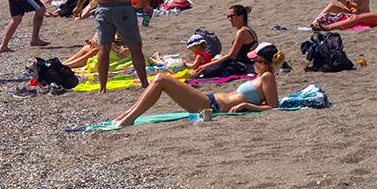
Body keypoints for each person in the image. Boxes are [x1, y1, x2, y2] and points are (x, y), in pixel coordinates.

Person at [108, 43, 284, 128]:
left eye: (255, 60)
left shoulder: (267, 77)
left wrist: (247, 105)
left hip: (211, 107)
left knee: (161, 79)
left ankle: (130, 118)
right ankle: (128, 114)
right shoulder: (262, 76)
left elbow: (273, 106)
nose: (253, 63)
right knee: (160, 79)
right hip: (210, 100)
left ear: (264, 62)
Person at [192, 4, 258, 78]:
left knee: (206, 69)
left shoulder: (242, 32)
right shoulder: (248, 30)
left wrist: (207, 65)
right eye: (228, 16)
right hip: (247, 63)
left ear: (241, 16)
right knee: (217, 58)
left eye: (232, 16)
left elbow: (231, 55)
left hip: (244, 65)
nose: (230, 19)